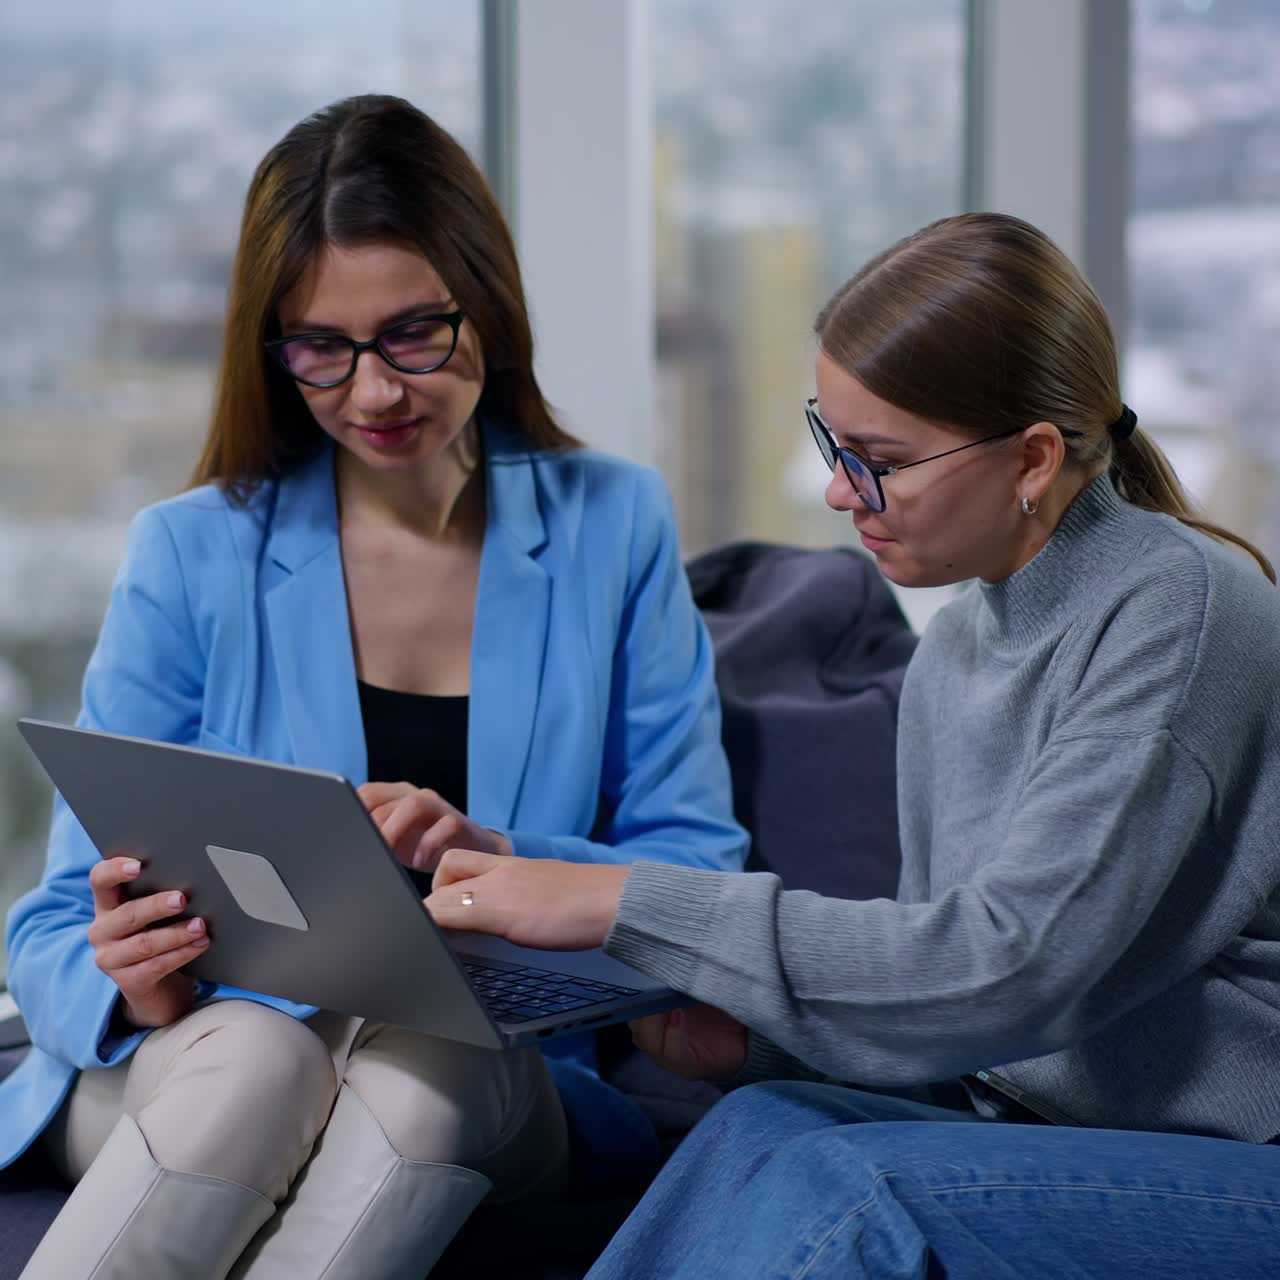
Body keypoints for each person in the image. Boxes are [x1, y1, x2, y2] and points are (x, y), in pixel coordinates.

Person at [401, 212, 1280, 1278]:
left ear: (1031, 459)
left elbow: (1012, 967)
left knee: (849, 1188)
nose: (835, 492)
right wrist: (757, 1040)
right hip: (1062, 1135)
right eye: (833, 444)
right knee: (759, 1120)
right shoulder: (957, 646)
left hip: (1236, 1163)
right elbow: (954, 1001)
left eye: (878, 461)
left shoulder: (1180, 607)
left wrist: (625, 900)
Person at [1, 94, 746, 1280]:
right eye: (321, 349)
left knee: (421, 1062)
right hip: (196, 1059)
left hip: (491, 1074)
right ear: (272, 349)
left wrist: (499, 857)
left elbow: (696, 875)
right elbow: (46, 923)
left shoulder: (613, 525)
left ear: (485, 304)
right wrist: (132, 978)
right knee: (258, 1056)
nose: (374, 392)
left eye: (412, 334)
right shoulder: (191, 550)